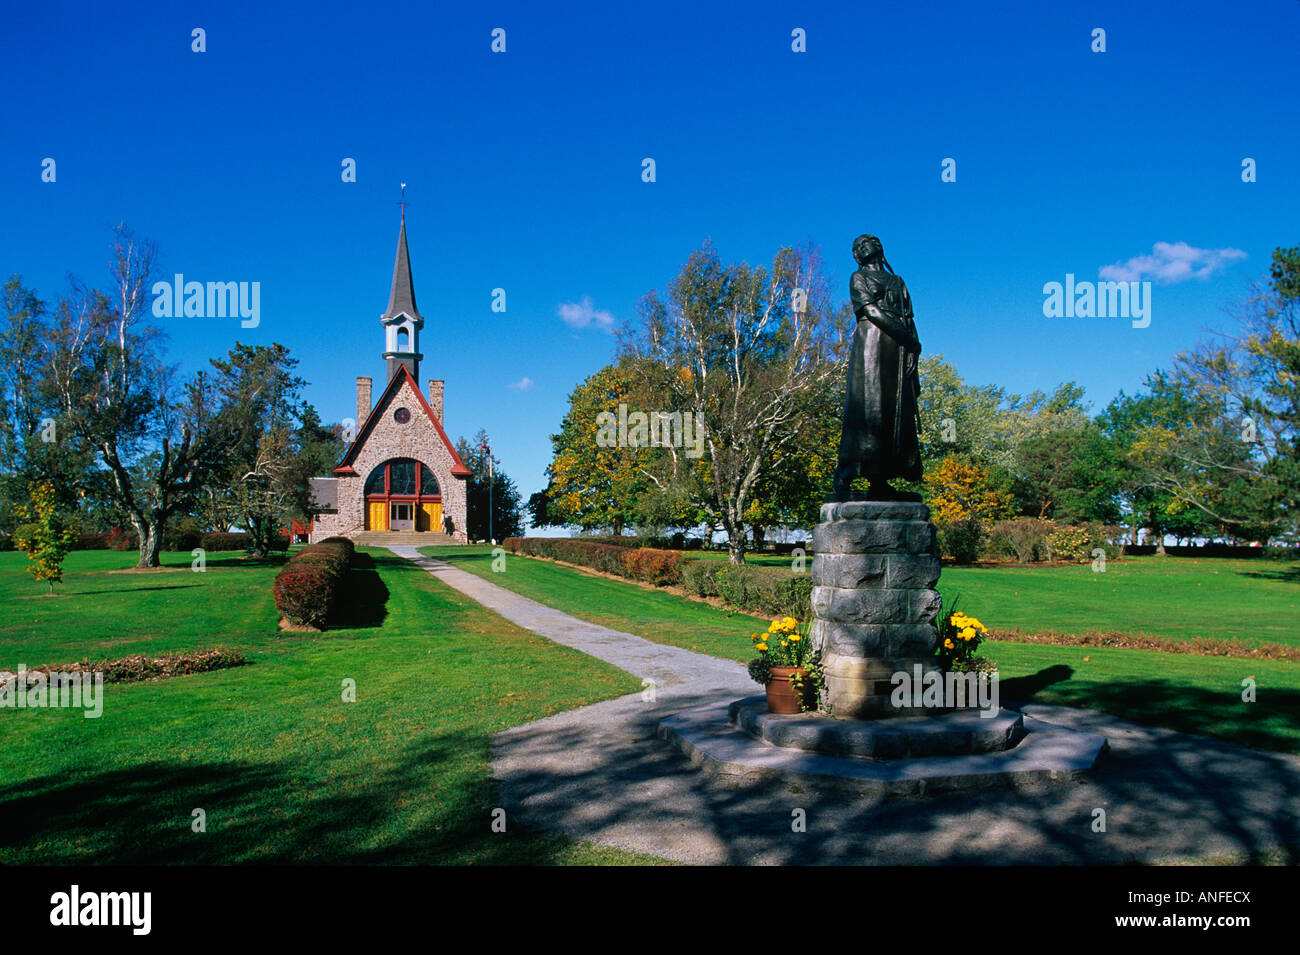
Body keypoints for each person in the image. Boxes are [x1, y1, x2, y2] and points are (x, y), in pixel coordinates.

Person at [831, 234, 923, 500]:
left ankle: (881, 479)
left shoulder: (897, 281)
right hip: (872, 344)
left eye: (870, 241)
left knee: (894, 413)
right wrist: (908, 338)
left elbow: (909, 317)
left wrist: (914, 346)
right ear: (857, 256)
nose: (865, 245)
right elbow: (870, 311)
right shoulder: (857, 278)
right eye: (859, 245)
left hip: (899, 350)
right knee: (870, 408)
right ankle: (849, 469)